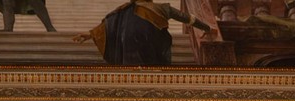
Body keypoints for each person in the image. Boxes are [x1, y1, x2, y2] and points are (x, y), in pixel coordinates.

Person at [73, 1, 211, 67]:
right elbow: (187, 18)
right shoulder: (160, 8)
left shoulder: (123, 11)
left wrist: (89, 35)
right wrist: (206, 28)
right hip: (148, 56)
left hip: (135, 59)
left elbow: (106, 27)